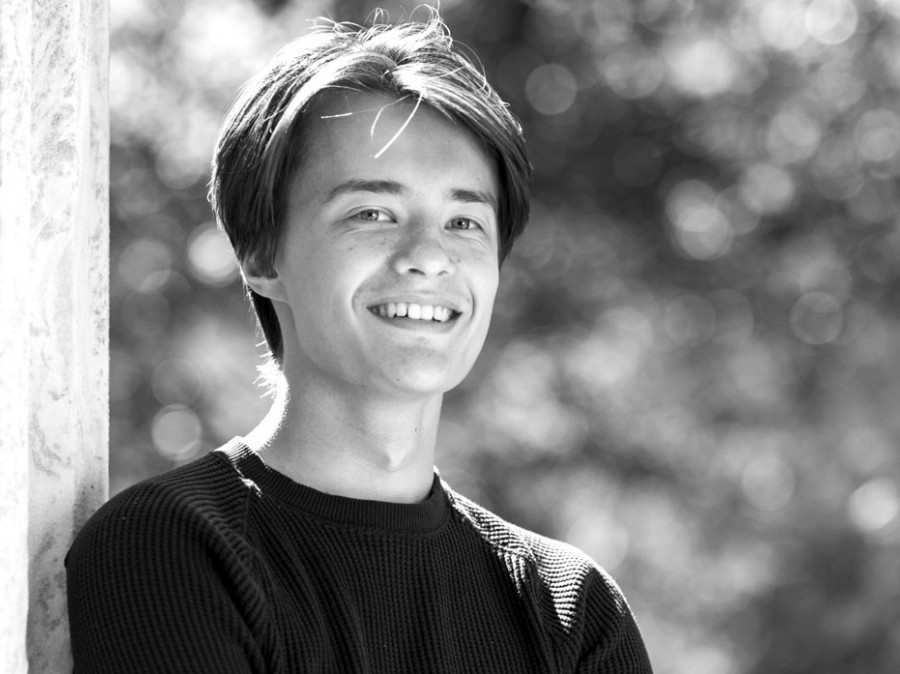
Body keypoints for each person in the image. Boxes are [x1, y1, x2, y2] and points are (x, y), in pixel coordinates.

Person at [66, 9, 653, 673]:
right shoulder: (171, 549)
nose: (429, 257)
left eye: (464, 221)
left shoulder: (569, 607)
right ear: (261, 254)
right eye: (373, 213)